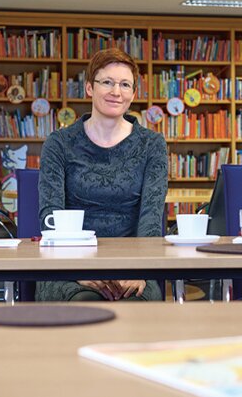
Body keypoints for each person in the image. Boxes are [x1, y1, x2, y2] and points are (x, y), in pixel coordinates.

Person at [37, 48, 168, 301]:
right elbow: (49, 214)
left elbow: (151, 218)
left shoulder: (152, 144)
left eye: (125, 84)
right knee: (86, 305)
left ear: (133, 93)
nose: (116, 92)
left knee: (137, 307)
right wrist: (76, 271)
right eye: (107, 82)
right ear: (89, 88)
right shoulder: (59, 143)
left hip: (134, 266)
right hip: (68, 265)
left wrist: (140, 269)